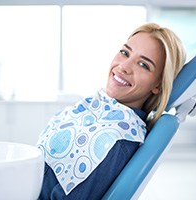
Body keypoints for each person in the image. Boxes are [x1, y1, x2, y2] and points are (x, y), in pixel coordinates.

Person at [37, 22, 186, 199]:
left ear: (158, 85)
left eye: (143, 65)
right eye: (125, 53)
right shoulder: (94, 107)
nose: (123, 66)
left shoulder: (114, 140)